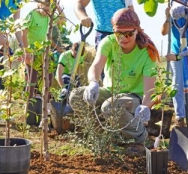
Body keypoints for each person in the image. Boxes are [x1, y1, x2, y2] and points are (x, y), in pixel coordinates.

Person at [69, 8, 160, 154]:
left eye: (129, 34)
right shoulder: (108, 42)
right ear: (113, 31)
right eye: (119, 33)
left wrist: (146, 106)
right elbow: (96, 66)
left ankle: (141, 139)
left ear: (137, 30)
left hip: (133, 96)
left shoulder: (147, 51)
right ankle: (103, 137)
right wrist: (93, 82)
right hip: (110, 91)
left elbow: (150, 90)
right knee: (76, 96)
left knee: (110, 106)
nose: (123, 38)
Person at [22, 0, 64, 126]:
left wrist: (56, 6)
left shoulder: (49, 18)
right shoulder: (32, 14)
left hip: (44, 53)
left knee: (48, 80)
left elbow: (63, 20)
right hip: (32, 53)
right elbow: (24, 34)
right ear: (39, 4)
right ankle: (28, 114)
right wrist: (26, 52)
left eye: (50, 7)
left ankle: (45, 114)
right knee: (32, 81)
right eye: (45, 6)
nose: (47, 9)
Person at [74, 0, 134, 80]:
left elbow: (131, 12)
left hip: (124, 34)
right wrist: (83, 17)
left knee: (125, 71)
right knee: (105, 73)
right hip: (103, 34)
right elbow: (79, 4)